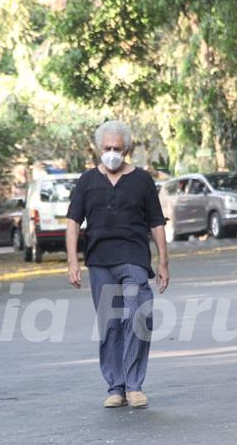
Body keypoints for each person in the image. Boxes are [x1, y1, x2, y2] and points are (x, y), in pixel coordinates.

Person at [66, 120, 169, 410]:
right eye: (107, 148)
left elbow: (157, 223)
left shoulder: (142, 180)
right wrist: (72, 262)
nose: (112, 153)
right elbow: (73, 222)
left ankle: (135, 385)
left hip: (134, 258)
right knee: (111, 324)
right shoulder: (87, 181)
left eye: (117, 149)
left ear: (127, 150)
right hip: (100, 262)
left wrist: (164, 262)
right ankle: (116, 386)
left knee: (138, 316)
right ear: (100, 149)